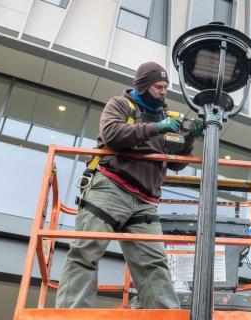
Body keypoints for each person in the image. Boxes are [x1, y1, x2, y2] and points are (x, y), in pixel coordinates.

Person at [56, 61, 203, 309]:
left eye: (166, 86)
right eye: (158, 86)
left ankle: (165, 315)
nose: (163, 91)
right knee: (85, 253)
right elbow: (113, 134)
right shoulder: (121, 105)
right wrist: (156, 128)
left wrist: (188, 140)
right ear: (143, 85)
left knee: (154, 263)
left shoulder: (166, 117)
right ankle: (72, 313)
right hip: (111, 188)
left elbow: (176, 164)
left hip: (145, 201)